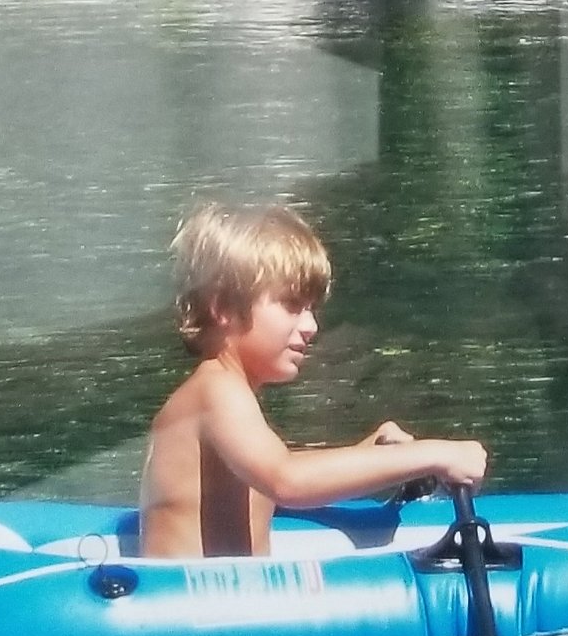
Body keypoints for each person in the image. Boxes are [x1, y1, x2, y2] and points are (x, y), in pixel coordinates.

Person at [139, 201, 488, 558]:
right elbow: (286, 480)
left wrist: (367, 456)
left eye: (312, 309)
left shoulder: (225, 392)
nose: (311, 326)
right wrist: (435, 454)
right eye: (292, 305)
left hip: (223, 605)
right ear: (223, 307)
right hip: (193, 608)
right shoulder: (216, 391)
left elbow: (275, 473)